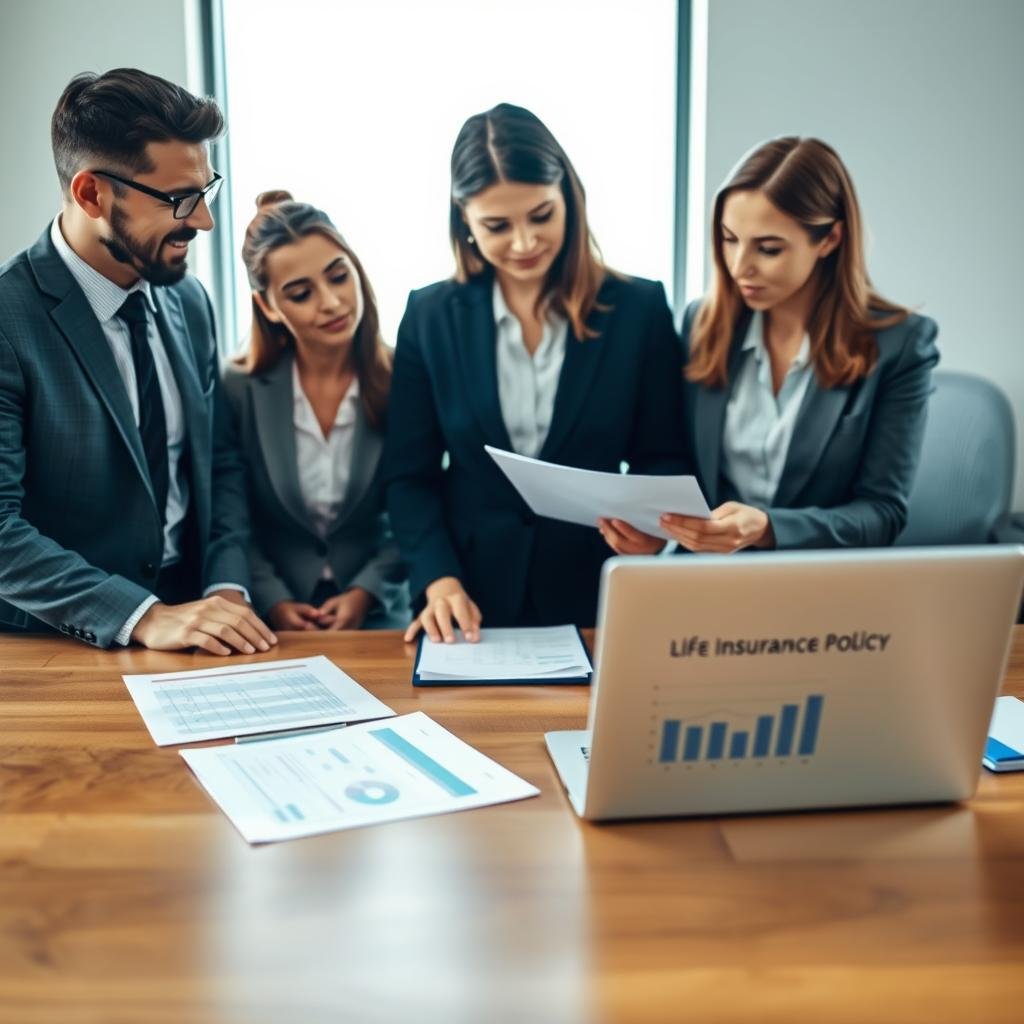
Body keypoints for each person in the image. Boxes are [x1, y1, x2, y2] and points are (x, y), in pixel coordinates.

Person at [383, 102, 687, 643]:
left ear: (568, 196)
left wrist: (654, 532)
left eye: (541, 215)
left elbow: (663, 455)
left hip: (597, 594)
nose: (524, 243)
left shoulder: (639, 309)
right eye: (497, 226)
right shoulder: (429, 316)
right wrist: (437, 577)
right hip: (467, 602)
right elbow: (410, 476)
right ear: (464, 221)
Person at [0, 68, 276, 655]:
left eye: (206, 191)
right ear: (91, 193)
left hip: (199, 623)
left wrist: (227, 584)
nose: (202, 220)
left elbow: (217, 463)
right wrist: (141, 615)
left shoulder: (188, 300)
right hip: (61, 649)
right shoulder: (7, 319)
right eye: (179, 200)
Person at [599, 136, 939, 557]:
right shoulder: (701, 324)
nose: (740, 266)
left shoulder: (900, 344)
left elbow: (882, 513)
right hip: (704, 580)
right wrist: (659, 528)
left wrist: (768, 528)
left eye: (769, 248)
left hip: (821, 587)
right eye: (729, 239)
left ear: (830, 239)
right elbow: (677, 464)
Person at [223, 192, 408, 631]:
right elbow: (230, 514)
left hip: (383, 618)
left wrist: (366, 591)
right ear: (268, 306)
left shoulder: (405, 377)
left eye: (338, 277)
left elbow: (419, 503)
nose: (331, 302)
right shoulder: (239, 388)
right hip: (272, 622)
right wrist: (273, 600)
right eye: (301, 293)